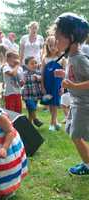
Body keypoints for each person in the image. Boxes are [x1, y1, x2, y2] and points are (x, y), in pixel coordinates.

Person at [53, 12, 89, 175]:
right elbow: (76, 75)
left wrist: (73, 84)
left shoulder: (80, 59)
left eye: (59, 38)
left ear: (72, 37)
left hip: (84, 104)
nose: (56, 41)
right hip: (76, 102)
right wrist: (65, 76)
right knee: (71, 130)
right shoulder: (71, 57)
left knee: (76, 135)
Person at [41, 35, 65, 131]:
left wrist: (62, 87)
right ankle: (55, 123)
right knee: (50, 103)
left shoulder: (62, 59)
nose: (53, 48)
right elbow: (42, 74)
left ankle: (52, 123)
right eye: (50, 46)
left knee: (55, 104)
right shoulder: (45, 59)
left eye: (54, 45)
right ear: (47, 46)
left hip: (57, 85)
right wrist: (42, 86)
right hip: (47, 84)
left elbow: (64, 75)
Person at [22, 56, 43, 127]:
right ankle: (35, 120)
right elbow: (21, 82)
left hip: (35, 94)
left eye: (35, 63)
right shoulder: (24, 74)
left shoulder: (38, 73)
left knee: (30, 111)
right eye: (32, 63)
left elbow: (42, 80)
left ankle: (29, 125)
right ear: (26, 65)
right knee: (32, 107)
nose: (34, 65)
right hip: (27, 95)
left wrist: (39, 78)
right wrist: (22, 81)